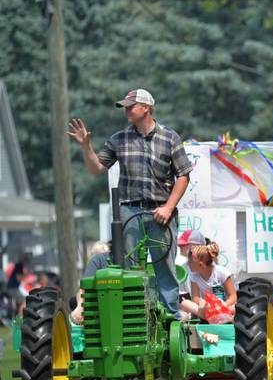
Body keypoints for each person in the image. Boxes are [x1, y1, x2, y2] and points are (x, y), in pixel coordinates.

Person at [68, 88, 192, 319]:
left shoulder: (170, 137)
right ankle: (134, 316)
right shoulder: (119, 139)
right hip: (130, 210)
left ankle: (171, 317)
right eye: (125, 106)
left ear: (146, 108)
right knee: (129, 267)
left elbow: (183, 176)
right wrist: (85, 146)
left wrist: (168, 207)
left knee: (164, 267)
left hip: (160, 211)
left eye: (130, 106)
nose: (126, 110)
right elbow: (95, 168)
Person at [188, 242, 237, 380]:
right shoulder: (194, 276)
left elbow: (233, 297)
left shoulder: (221, 273)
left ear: (199, 263)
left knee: (223, 338)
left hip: (225, 312)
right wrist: (205, 306)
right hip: (207, 313)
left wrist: (220, 307)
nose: (188, 264)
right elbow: (195, 298)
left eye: (191, 261)